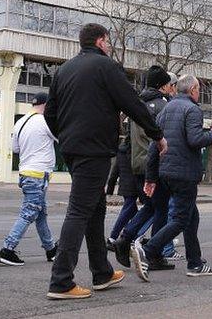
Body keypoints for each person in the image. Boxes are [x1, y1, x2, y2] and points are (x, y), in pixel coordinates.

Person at [46, 24, 165, 300]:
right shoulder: (106, 67)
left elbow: (50, 113)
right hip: (95, 150)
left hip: (73, 149)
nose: (109, 45)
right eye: (108, 41)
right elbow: (133, 104)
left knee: (95, 208)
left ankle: (102, 272)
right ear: (100, 41)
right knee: (78, 211)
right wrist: (156, 134)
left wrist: (65, 136)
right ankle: (61, 281)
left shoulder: (63, 70)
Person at [131, 75, 212, 280]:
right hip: (184, 173)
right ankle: (148, 249)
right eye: (199, 89)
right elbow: (195, 140)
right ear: (192, 90)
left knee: (192, 217)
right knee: (181, 219)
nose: (200, 93)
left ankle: (195, 263)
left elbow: (156, 145)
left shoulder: (166, 109)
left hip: (165, 172)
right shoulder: (193, 110)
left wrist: (151, 177)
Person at [110, 67, 176, 268]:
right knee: (161, 209)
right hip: (154, 163)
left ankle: (125, 238)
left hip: (137, 163)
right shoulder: (163, 106)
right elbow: (164, 136)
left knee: (151, 205)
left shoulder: (137, 103)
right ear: (163, 85)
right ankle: (153, 253)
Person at [0, 92, 59, 266]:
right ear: (46, 105)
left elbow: (15, 148)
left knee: (40, 214)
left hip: (25, 173)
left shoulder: (20, 122)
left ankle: (51, 249)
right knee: (29, 212)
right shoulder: (45, 120)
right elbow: (60, 137)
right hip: (39, 174)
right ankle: (7, 249)